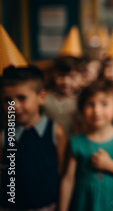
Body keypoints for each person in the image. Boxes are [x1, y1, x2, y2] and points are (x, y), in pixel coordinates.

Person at [59, 80, 113, 211]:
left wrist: (109, 165)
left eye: (104, 104)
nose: (96, 110)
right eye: (90, 104)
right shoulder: (76, 141)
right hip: (84, 203)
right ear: (82, 109)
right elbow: (68, 179)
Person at [0, 66, 67, 211]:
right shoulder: (4, 136)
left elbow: (64, 174)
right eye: (7, 100)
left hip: (49, 206)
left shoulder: (56, 132)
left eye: (21, 98)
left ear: (41, 97)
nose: (14, 106)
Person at [44, 56, 84, 136]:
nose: (66, 81)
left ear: (81, 78)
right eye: (61, 76)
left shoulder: (82, 100)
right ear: (53, 75)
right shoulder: (44, 97)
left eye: (72, 77)